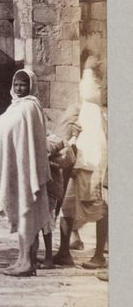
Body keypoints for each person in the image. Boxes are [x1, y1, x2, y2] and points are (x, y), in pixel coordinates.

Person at [0, 68, 53, 278]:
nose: (20, 88)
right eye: (16, 84)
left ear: (30, 86)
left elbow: (29, 141)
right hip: (19, 170)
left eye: (23, 84)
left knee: (28, 215)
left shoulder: (30, 107)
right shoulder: (15, 107)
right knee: (23, 216)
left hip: (28, 172)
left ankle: (27, 262)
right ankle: (22, 259)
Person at [53, 56, 108, 271]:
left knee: (99, 207)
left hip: (93, 162)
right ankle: (64, 251)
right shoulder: (83, 105)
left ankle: (98, 256)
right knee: (67, 206)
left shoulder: (100, 109)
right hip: (78, 160)